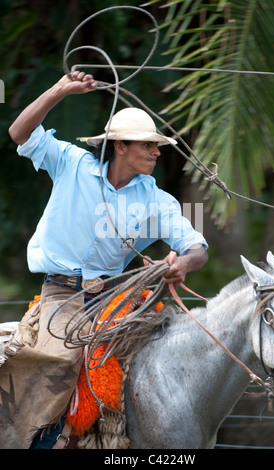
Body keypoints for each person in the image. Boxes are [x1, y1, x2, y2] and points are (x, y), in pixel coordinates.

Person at [7, 71, 208, 448]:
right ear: (119, 146)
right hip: (62, 294)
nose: (156, 152)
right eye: (147, 145)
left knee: (166, 352)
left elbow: (196, 245)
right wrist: (60, 89)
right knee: (61, 362)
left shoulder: (157, 201)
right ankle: (37, 442)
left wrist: (184, 262)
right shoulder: (72, 163)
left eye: (155, 146)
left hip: (113, 297)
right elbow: (19, 133)